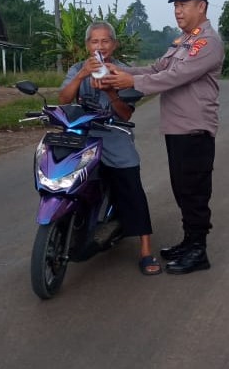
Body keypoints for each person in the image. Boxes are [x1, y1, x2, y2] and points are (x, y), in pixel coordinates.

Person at [102, 0, 225, 275]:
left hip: (195, 129)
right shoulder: (183, 41)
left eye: (184, 5)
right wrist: (121, 73)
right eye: (175, 5)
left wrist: (131, 84)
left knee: (194, 192)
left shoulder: (207, 43)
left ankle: (199, 251)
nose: (178, 10)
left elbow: (175, 76)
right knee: (182, 190)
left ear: (202, 7)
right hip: (177, 128)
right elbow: (157, 69)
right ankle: (188, 242)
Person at [57, 21, 161, 276]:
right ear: (87, 45)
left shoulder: (123, 72)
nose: (100, 46)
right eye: (95, 41)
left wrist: (112, 91)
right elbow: (63, 100)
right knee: (64, 179)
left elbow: (125, 115)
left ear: (113, 45)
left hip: (115, 135)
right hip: (84, 135)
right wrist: (82, 75)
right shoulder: (77, 69)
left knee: (131, 183)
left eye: (105, 41)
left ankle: (146, 250)